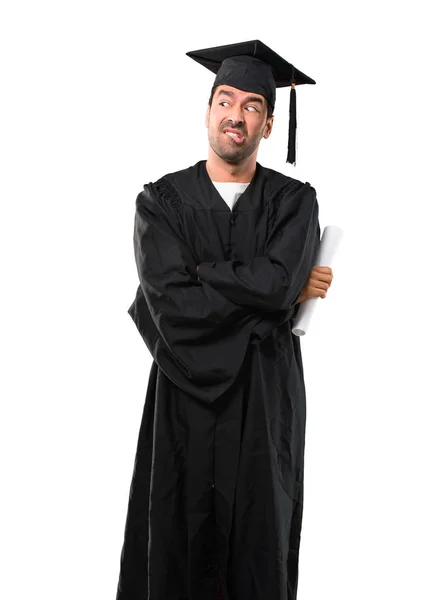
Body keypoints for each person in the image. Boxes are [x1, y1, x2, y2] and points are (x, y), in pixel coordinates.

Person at [115, 40, 333, 600]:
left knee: (260, 542)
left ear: (268, 123)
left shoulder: (294, 202)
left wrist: (210, 275)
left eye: (253, 105)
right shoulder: (160, 203)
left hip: (265, 403)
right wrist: (275, 302)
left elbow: (278, 282)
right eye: (225, 100)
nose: (236, 115)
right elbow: (171, 306)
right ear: (208, 108)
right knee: (176, 536)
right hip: (183, 402)